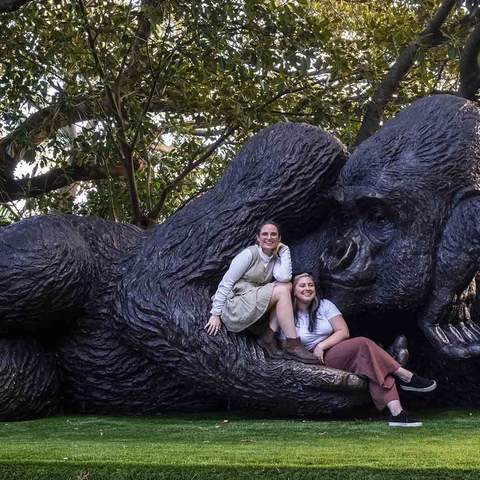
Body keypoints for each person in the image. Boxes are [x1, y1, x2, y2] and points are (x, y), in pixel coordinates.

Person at [288, 273, 437, 427]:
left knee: (371, 363)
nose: (307, 288)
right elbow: (286, 344)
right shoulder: (288, 314)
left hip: (334, 349)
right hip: (313, 358)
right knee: (363, 344)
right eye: (302, 285)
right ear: (294, 290)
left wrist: (321, 345)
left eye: (310, 285)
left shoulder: (325, 305)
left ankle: (397, 413)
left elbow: (343, 332)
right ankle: (405, 376)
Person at [205, 221, 318, 364]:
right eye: (264, 234)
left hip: (252, 299)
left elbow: (284, 277)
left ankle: (269, 336)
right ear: (258, 238)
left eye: (273, 234)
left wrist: (285, 251)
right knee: (283, 290)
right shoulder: (249, 254)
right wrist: (215, 314)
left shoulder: (275, 259)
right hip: (236, 302)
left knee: (286, 286)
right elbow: (226, 282)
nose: (269, 237)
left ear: (279, 239)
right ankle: (293, 344)